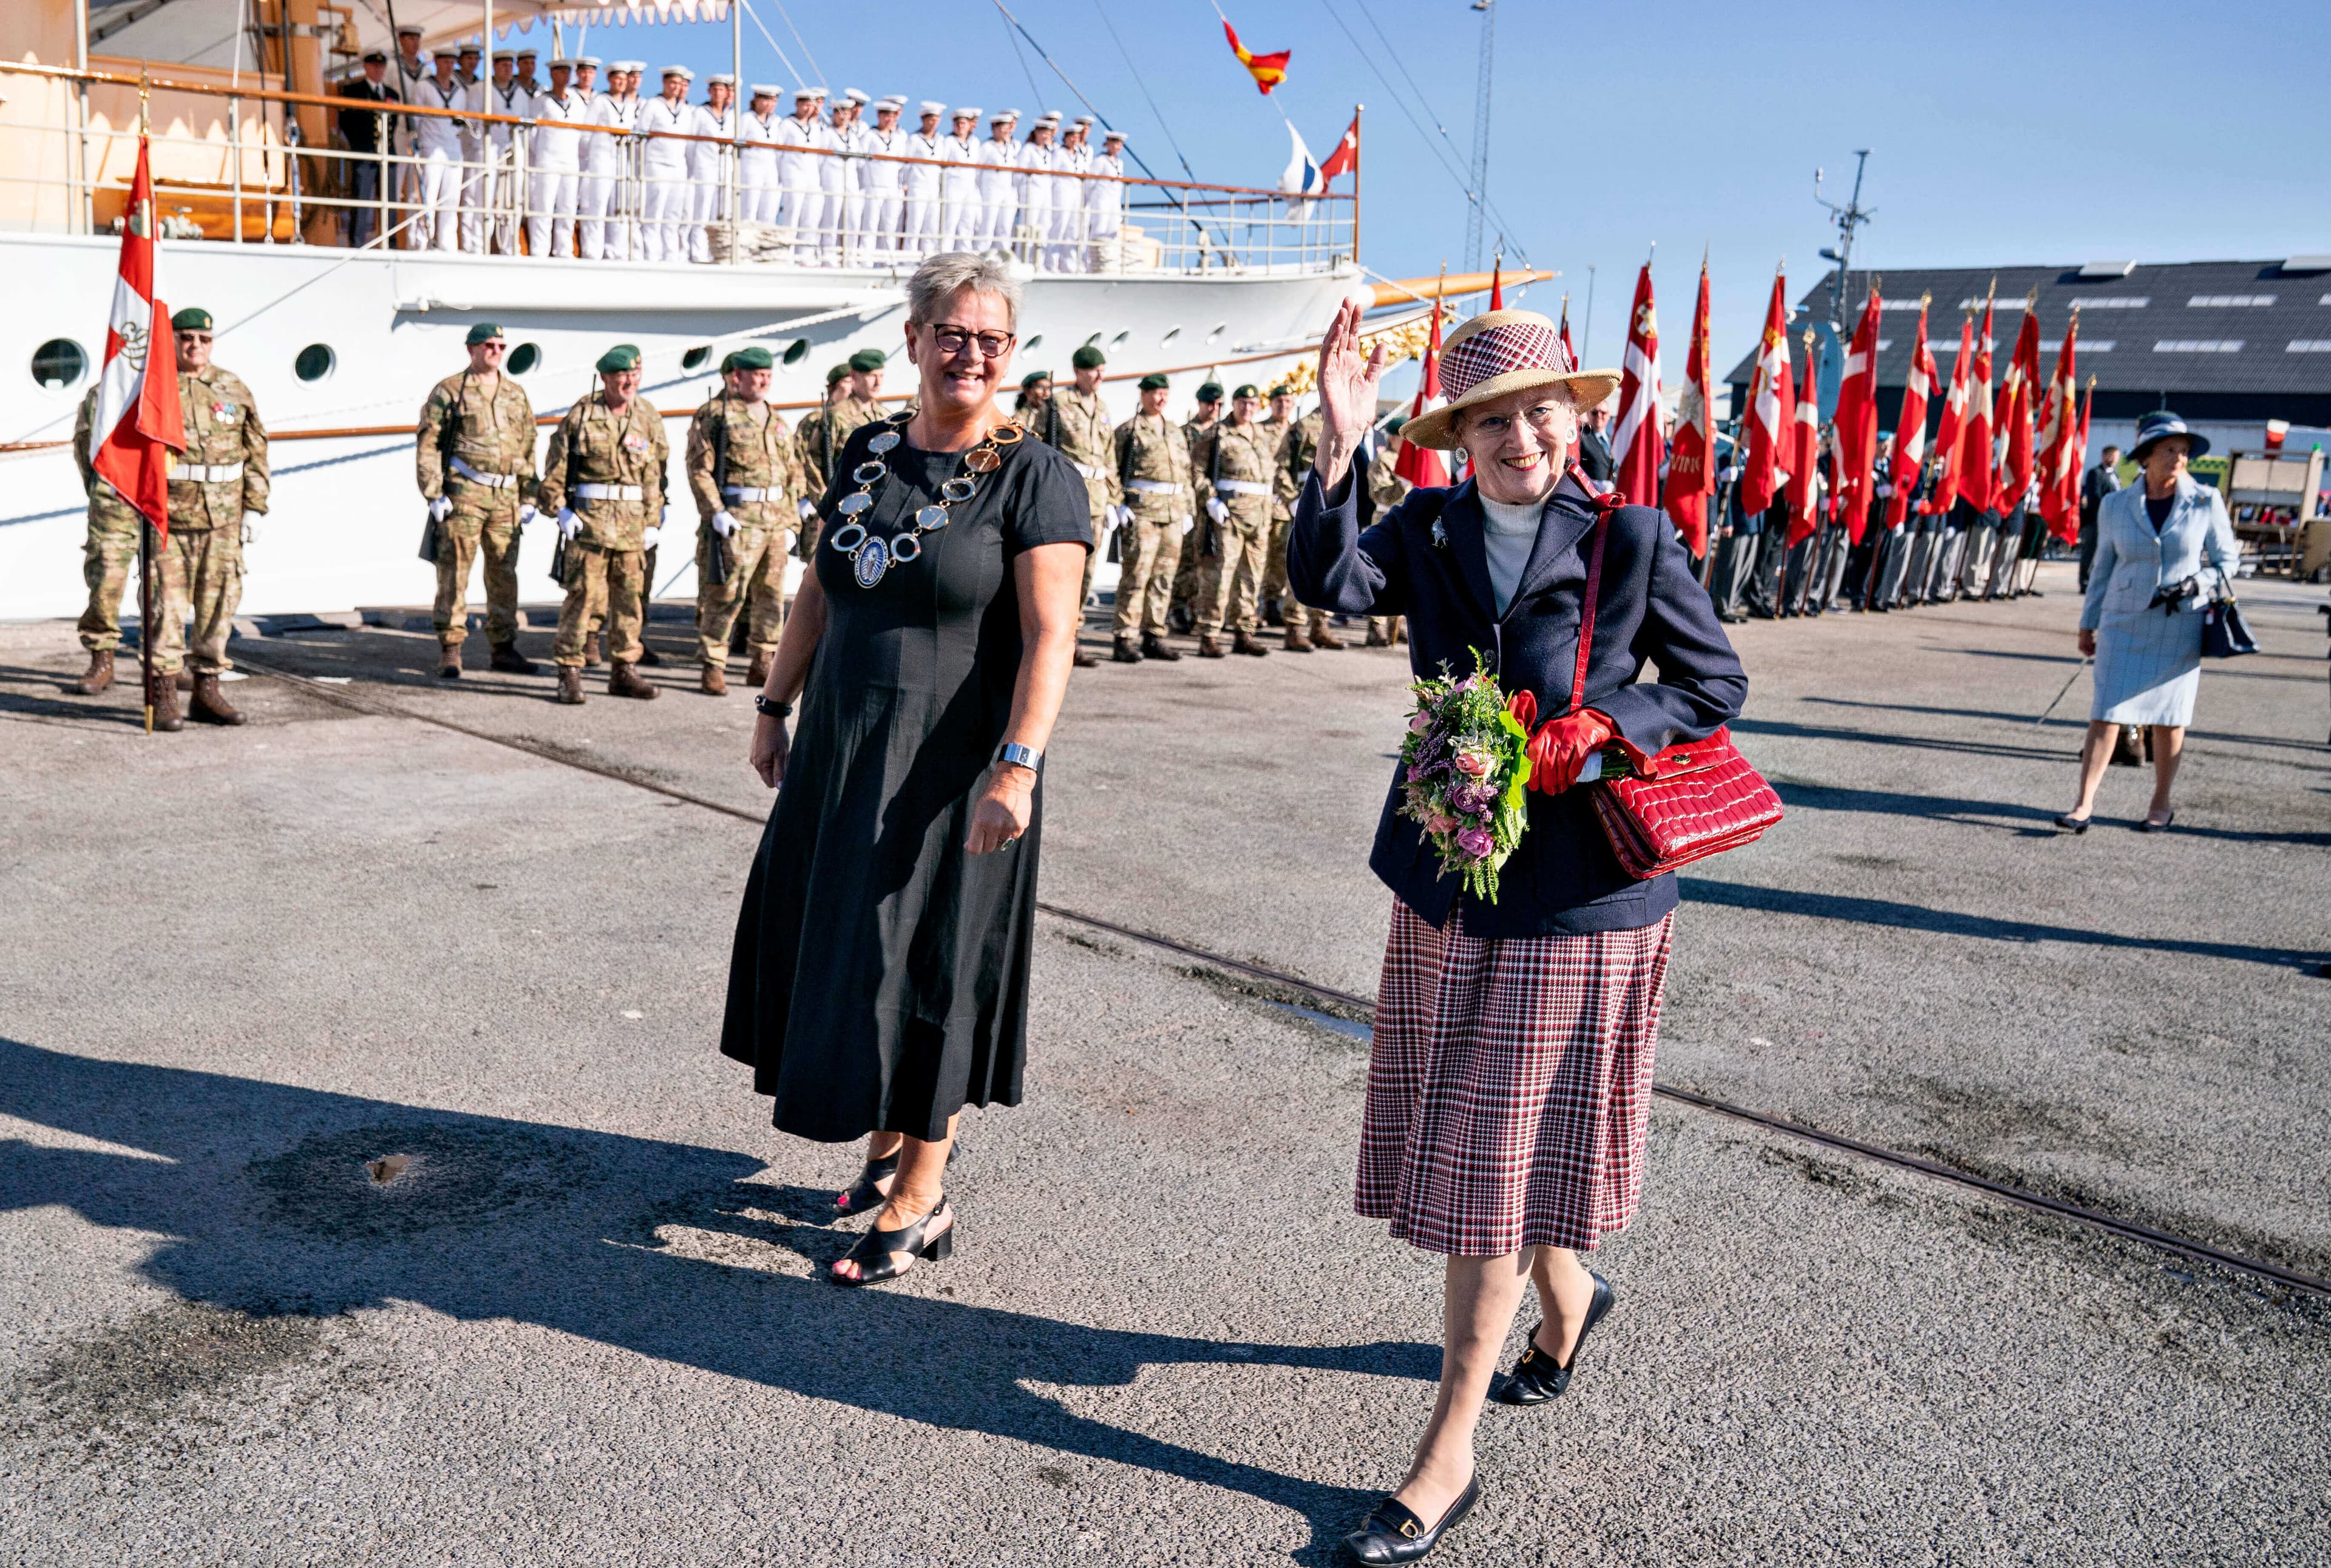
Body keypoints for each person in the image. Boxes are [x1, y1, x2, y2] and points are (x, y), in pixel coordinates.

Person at [1291, 302, 1745, 1564]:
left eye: (1543, 409)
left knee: (1493, 1143)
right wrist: (1340, 434)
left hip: (1583, 895)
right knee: (1504, 1128)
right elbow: (1328, 582)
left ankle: (1448, 1455)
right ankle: (1570, 1295)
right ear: (1460, 435)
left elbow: (1715, 682)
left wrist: (1610, 726)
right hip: (1455, 873)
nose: (1521, 435)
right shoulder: (1426, 527)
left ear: (1577, 416)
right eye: (1493, 418)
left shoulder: (1629, 538)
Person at [721, 251, 1090, 1286]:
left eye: (991, 338)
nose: (969, 352)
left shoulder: (1037, 473)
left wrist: (1016, 765)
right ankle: (889, 1148)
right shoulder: (869, 451)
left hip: (955, 760)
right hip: (844, 742)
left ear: (1009, 354)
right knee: (842, 943)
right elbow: (819, 590)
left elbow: (1052, 634)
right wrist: (773, 704)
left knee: (930, 959)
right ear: (916, 339)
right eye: (952, 332)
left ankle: (924, 1195)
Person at [2058, 412, 2238, 835]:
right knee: (2106, 712)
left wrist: (2200, 580)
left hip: (2180, 622)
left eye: (2183, 450)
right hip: (2123, 620)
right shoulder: (2116, 503)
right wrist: (2088, 622)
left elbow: (2230, 563)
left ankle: (2161, 802)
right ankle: (2083, 804)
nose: (2179, 457)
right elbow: (2103, 566)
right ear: (2146, 457)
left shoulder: (2206, 500)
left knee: (2170, 717)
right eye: (2169, 449)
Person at [537, 344, 668, 705]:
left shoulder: (647, 417)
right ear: (606, 378)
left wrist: (653, 520)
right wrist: (561, 512)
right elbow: (555, 472)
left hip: (631, 527)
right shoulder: (582, 415)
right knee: (582, 600)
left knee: (629, 603)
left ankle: (624, 671)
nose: (629, 381)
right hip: (589, 525)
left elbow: (654, 475)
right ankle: (569, 672)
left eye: (635, 375)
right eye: (622, 375)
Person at [161, 307, 270, 727]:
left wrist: (256, 507)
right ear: (172, 339)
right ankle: (165, 691)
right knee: (165, 609)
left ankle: (207, 691)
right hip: (169, 515)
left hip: (223, 517)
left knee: (218, 604)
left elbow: (256, 450)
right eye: (187, 337)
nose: (195, 346)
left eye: (204, 339)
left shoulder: (232, 387)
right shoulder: (155, 388)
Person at [417, 324, 538, 679]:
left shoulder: (516, 394)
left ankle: (503, 648)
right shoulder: (450, 391)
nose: (497, 351)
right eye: (489, 345)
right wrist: (434, 492)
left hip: (507, 497)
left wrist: (530, 494)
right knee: (454, 573)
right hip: (465, 494)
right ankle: (451, 649)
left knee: (504, 573)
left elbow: (529, 445)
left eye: (501, 345)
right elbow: (429, 444)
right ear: (472, 349)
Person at [688, 346, 804, 694]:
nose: (765, 380)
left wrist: (793, 517)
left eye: (768, 374)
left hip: (773, 521)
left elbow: (792, 469)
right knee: (726, 595)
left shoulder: (775, 417)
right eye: (758, 374)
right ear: (737, 376)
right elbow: (699, 470)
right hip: (737, 520)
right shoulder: (716, 414)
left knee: (771, 596)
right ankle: (713, 663)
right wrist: (715, 511)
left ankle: (763, 660)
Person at [68, 385, 153, 701]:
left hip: (164, 498)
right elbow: (85, 447)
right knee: (105, 581)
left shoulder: (174, 384)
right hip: (113, 496)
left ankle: (163, 662)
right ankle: (102, 659)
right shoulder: (104, 390)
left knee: (164, 586)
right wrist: (101, 487)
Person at [1110, 372, 1192, 662]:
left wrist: (1188, 509)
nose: (1161, 399)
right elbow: (1113, 469)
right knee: (1136, 576)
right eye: (1156, 393)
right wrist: (1118, 504)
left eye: (1165, 394)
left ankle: (1154, 635)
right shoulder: (1129, 430)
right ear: (1143, 395)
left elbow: (1186, 473)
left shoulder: (1174, 430)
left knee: (1164, 577)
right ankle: (1124, 637)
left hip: (1172, 511)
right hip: (1143, 512)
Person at [1190, 384, 1275, 658]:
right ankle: (1210, 634)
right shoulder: (1217, 434)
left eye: (1252, 404)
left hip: (1260, 517)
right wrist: (1209, 499)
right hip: (1229, 516)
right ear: (1234, 405)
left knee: (1251, 578)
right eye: (1242, 403)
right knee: (1220, 576)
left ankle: (1244, 632)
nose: (1247, 409)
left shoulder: (1262, 434)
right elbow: (1196, 470)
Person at [1051, 344, 1119, 663]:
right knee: (1061, 571)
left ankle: (1072, 638)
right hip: (1067, 495)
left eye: (1103, 369)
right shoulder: (1058, 404)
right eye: (1095, 370)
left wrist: (1116, 500)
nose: (1100, 376)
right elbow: (1041, 447)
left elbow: (1110, 458)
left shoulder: (1103, 408)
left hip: (1098, 498)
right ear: (1078, 371)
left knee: (1088, 573)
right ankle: (1054, 636)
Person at [1275, 399, 1345, 650]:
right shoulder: (1303, 426)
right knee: (1303, 562)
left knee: (1327, 564)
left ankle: (1320, 624)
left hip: (1333, 499)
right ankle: (1294, 626)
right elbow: (1281, 466)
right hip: (1308, 498)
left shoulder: (1346, 424)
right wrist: (1292, 498)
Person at [1169, 381, 1223, 633]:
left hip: (1216, 506)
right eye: (1209, 403)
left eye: (1218, 404)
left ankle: (1201, 608)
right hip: (1191, 503)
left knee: (1211, 560)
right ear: (1200, 404)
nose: (1213, 409)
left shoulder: (1225, 433)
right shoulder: (1184, 433)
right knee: (1185, 560)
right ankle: (1179, 607)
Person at [464, 52, 529, 255]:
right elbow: (471, 123)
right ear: (494, 67)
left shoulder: (520, 93)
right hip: (487, 147)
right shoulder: (479, 90)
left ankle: (510, 245)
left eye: (510, 66)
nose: (507, 70)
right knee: (480, 197)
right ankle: (475, 244)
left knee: (513, 198)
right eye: (503, 66)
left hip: (512, 149)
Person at [335, 50, 398, 251]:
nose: (379, 70)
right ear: (366, 67)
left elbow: (394, 123)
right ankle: (357, 243)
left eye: (382, 67)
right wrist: (360, 144)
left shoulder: (392, 95)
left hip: (388, 153)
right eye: (374, 66)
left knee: (390, 200)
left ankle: (391, 242)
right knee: (361, 199)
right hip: (364, 152)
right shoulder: (353, 91)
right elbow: (346, 122)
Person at [526, 59, 587, 259]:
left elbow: (583, 133)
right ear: (552, 75)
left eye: (567, 73)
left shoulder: (577, 101)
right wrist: (543, 153)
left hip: (570, 160)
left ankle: (564, 249)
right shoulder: (541, 101)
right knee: (544, 205)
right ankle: (539, 250)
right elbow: (532, 135)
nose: (564, 77)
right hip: (548, 159)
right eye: (560, 72)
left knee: (567, 207)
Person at [409, 49, 468, 252]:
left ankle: (447, 244)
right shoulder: (423, 87)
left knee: (451, 199)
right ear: (436, 62)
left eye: (452, 62)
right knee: (428, 196)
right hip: (431, 146)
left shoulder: (460, 91)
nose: (448, 66)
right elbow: (414, 120)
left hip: (453, 148)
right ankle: (422, 242)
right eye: (445, 62)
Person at [1257, 384, 1297, 625]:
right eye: (1279, 401)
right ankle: (1251, 608)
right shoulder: (1260, 430)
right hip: (1261, 503)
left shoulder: (1296, 431)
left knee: (1280, 559)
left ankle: (1272, 605)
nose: (1283, 405)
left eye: (1288, 401)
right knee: (1258, 558)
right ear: (1271, 403)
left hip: (1285, 506)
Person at [901, 101, 947, 257]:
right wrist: (906, 184)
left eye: (936, 120)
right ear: (923, 120)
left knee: (931, 227)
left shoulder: (941, 140)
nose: (933, 123)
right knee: (914, 225)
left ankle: (929, 258)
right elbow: (906, 164)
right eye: (930, 120)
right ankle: (908, 259)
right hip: (917, 187)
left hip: (933, 189)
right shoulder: (914, 139)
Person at [738, 84, 784, 229]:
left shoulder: (777, 121)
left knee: (769, 209)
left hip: (770, 167)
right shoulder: (747, 119)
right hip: (751, 167)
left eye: (774, 101)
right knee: (750, 207)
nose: (770, 104)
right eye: (767, 100)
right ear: (757, 99)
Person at [2079, 444, 2123, 592]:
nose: (2114, 459)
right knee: (2090, 551)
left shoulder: (2115, 476)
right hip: (2096, 519)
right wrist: (2107, 511)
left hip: (2113, 520)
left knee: (2105, 553)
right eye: (2111, 456)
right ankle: (2085, 582)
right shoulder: (2096, 473)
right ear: (2104, 456)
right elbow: (2095, 496)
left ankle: (2098, 582)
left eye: (2116, 457)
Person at [975, 109, 1020, 253]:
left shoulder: (1013, 146)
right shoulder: (987, 147)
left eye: (1008, 126)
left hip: (1008, 190)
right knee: (988, 224)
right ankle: (982, 252)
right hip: (991, 189)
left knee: (1005, 225)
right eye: (1003, 127)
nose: (1006, 130)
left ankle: (1004, 254)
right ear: (995, 128)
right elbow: (977, 172)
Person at [938, 107, 981, 249]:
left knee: (967, 224)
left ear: (970, 125)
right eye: (958, 123)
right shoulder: (948, 141)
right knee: (949, 223)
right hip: (953, 187)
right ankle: (944, 254)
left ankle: (965, 254)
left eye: (964, 123)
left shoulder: (975, 142)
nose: (960, 126)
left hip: (969, 187)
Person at [1085, 129, 1125, 272]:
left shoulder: (1119, 163)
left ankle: (1108, 263)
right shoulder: (1100, 161)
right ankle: (1093, 264)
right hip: (1101, 199)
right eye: (1115, 143)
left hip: (1114, 201)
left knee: (1113, 231)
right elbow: (1090, 183)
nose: (1117, 147)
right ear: (1108, 144)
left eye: (1120, 144)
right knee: (1099, 229)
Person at [1574, 398, 1614, 483]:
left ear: (1609, 416)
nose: (1599, 416)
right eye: (1595, 413)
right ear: (1588, 414)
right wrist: (1595, 483)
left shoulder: (1612, 440)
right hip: (1592, 493)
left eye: (1603, 413)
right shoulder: (1581, 436)